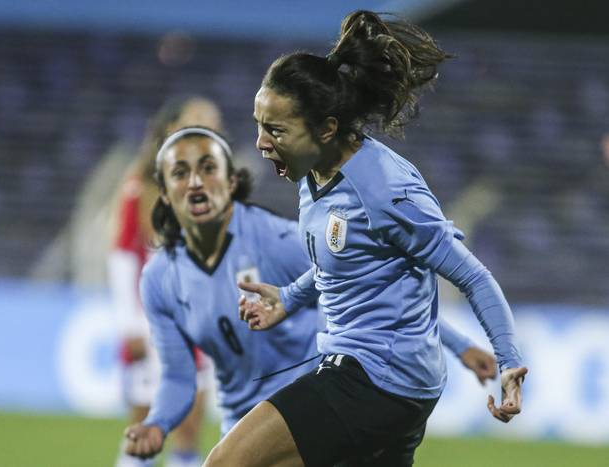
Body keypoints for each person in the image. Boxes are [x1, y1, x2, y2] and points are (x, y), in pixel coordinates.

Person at [204, 10, 528, 467]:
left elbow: (474, 277)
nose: (260, 142)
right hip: (396, 384)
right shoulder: (312, 172)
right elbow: (342, 267)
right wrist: (288, 299)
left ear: (326, 128)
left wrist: (509, 360)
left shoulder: (386, 193)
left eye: (275, 129)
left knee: (227, 463)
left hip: (376, 379)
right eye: (259, 124)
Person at [121, 127, 498, 463]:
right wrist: (157, 424)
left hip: (314, 412)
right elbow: (178, 376)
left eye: (208, 168)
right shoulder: (159, 280)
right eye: (180, 173)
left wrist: (459, 344)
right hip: (245, 426)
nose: (195, 182)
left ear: (232, 181)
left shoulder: (275, 240)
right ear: (164, 194)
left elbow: (371, 288)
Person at [108, 96, 221, 467]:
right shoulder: (142, 185)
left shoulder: (219, 189)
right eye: (197, 121)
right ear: (173, 129)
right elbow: (124, 256)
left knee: (189, 429)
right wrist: (130, 324)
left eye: (212, 123)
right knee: (144, 428)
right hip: (152, 322)